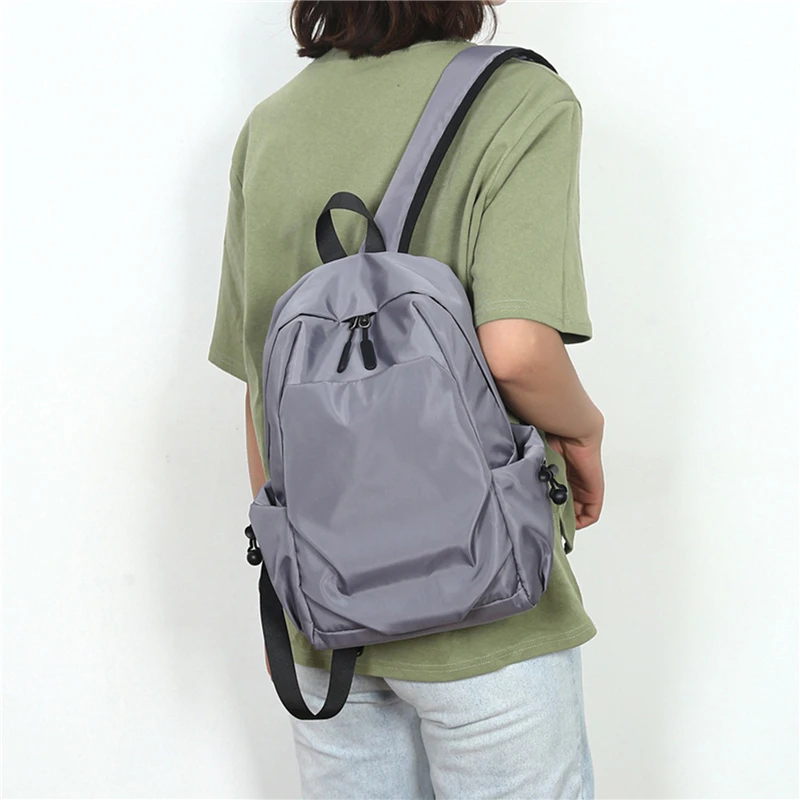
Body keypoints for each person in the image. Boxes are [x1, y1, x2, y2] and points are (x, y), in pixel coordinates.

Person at [208, 1, 604, 797]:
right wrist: (585, 434)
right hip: (487, 602)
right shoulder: (519, 98)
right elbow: (517, 349)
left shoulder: (270, 126)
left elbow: (262, 389)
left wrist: (295, 579)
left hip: (329, 627)